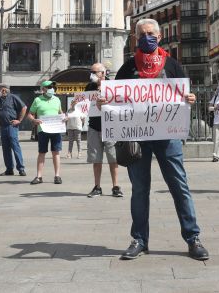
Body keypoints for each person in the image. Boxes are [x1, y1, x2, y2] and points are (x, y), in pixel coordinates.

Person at [108, 18, 208, 261]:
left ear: (159, 36)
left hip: (168, 136)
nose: (146, 38)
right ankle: (139, 240)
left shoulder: (172, 65)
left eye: (150, 33)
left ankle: (193, 238)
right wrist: (105, 101)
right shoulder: (128, 67)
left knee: (179, 186)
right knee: (139, 190)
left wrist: (190, 99)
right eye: (141, 34)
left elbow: (184, 96)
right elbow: (115, 99)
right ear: (135, 39)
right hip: (136, 139)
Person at [83, 63, 123, 198]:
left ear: (103, 73)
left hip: (111, 126)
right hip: (94, 126)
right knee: (96, 159)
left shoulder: (113, 86)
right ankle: (97, 187)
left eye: (94, 72)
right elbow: (85, 105)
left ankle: (116, 186)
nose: (91, 74)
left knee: (113, 158)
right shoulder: (89, 87)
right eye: (91, 71)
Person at [27, 81, 65, 185]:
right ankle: (39, 176)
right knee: (42, 152)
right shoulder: (37, 100)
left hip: (56, 129)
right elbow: (30, 114)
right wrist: (34, 120)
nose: (52, 88)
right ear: (43, 89)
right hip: (43, 130)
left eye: (53, 87)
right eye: (49, 87)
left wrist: (64, 117)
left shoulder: (57, 99)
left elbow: (60, 112)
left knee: (56, 152)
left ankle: (57, 176)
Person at [0, 84, 27, 176]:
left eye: (2, 89)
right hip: (3, 127)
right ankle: (9, 169)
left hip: (11, 126)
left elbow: (24, 107)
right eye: (0, 90)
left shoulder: (13, 97)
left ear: (6, 90)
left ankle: (21, 169)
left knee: (15, 147)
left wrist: (19, 120)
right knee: (5, 149)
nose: (1, 91)